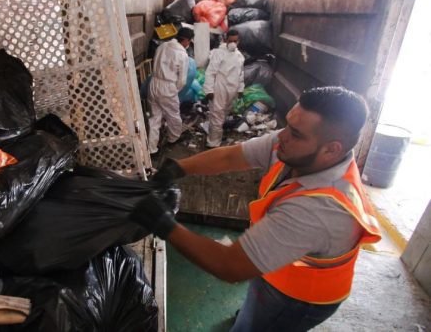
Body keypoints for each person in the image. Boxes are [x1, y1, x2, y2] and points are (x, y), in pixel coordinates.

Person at [131, 86, 382, 331]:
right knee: (253, 312)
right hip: (278, 268)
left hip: (297, 296)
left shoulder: (319, 211)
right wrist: (179, 168)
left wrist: (162, 223)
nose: (281, 136)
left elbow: (230, 266)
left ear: (332, 149)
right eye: (287, 124)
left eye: (295, 133)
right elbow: (231, 157)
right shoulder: (293, 148)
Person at [147, 27, 195, 154]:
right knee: (173, 115)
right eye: (188, 41)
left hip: (154, 83)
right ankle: (173, 138)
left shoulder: (162, 46)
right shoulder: (182, 55)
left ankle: (152, 149)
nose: (188, 44)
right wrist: (175, 90)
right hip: (167, 87)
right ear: (185, 40)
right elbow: (182, 81)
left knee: (154, 118)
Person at [203, 28, 245, 148]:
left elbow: (241, 74)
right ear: (226, 40)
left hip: (232, 90)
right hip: (220, 87)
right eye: (230, 40)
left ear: (239, 41)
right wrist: (209, 90)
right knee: (217, 114)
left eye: (235, 41)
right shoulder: (218, 53)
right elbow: (210, 72)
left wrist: (240, 89)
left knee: (223, 114)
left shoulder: (239, 56)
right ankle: (213, 143)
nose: (233, 43)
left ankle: (216, 136)